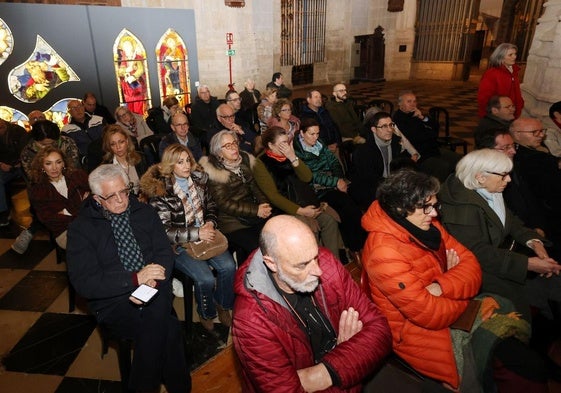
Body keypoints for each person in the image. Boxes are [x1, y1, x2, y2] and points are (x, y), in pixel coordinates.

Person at [363, 169, 547, 392]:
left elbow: (472, 264)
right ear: (401, 210)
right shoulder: (383, 252)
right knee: (512, 367)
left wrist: (443, 285)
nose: (434, 214)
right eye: (426, 208)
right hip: (417, 333)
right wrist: (460, 288)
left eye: (435, 205)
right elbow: (431, 316)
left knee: (522, 361)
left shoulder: (425, 225)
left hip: (447, 312)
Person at [232, 214, 392, 393]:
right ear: (271, 264)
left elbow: (381, 329)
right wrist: (354, 357)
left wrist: (326, 370)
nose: (318, 270)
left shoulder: (327, 262)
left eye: (315, 257)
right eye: (301, 265)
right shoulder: (250, 320)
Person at [67, 164, 191, 393]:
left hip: (156, 285)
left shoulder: (144, 212)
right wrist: (135, 280)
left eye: (124, 191)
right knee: (169, 329)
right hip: (114, 299)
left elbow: (164, 253)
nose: (121, 200)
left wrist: (151, 281)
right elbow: (85, 283)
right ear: (97, 198)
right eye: (111, 196)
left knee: (157, 321)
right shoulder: (81, 228)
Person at [439, 149, 561, 323]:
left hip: (498, 258)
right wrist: (528, 264)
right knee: (522, 302)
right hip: (475, 270)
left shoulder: (486, 189)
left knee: (552, 281)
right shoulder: (463, 208)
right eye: (504, 175)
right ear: (481, 177)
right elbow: (478, 252)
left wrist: (534, 242)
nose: (509, 180)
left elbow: (511, 222)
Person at [140, 144, 236, 332]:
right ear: (169, 165)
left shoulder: (199, 179)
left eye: (188, 161)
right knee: (206, 279)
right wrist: (196, 233)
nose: (186, 166)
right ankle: (206, 312)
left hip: (205, 235)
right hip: (178, 245)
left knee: (229, 267)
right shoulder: (160, 191)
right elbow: (164, 231)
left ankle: (222, 305)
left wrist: (210, 222)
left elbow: (211, 207)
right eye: (180, 162)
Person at [252, 126, 341, 258]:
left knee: (329, 221)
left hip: (303, 201)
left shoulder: (289, 155)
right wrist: (301, 211)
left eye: (287, 142)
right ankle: (312, 265)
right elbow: (273, 196)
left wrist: (293, 158)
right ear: (270, 145)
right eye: (282, 143)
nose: (286, 146)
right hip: (284, 209)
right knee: (309, 228)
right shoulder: (260, 163)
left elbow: (307, 177)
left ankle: (333, 264)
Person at [294, 117, 366, 262]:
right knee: (346, 206)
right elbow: (310, 175)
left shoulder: (319, 143)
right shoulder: (297, 152)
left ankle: (362, 244)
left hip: (333, 183)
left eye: (317, 133)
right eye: (312, 134)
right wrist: (335, 182)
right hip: (317, 189)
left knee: (357, 197)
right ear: (302, 133)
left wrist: (339, 180)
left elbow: (334, 162)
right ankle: (355, 247)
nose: (316, 137)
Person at [199, 130, 272, 264]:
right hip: (231, 222)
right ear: (219, 152)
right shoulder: (214, 171)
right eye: (228, 146)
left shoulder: (242, 161)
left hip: (251, 215)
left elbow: (255, 187)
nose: (234, 148)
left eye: (234, 143)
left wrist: (264, 205)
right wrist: (256, 210)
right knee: (258, 249)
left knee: (276, 235)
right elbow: (224, 203)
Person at [13, 120, 80, 254]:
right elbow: (34, 179)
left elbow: (74, 169)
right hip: (44, 188)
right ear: (36, 140)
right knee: (47, 208)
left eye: (53, 143)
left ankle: (31, 231)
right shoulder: (28, 152)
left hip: (69, 184)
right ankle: (32, 231)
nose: (49, 147)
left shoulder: (67, 143)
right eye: (44, 144)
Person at [474, 127, 548, 237]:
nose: (513, 151)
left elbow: (530, 200)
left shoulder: (515, 167)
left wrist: (538, 226)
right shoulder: (481, 178)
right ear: (487, 151)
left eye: (514, 146)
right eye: (506, 147)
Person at [349, 112, 413, 211]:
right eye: (383, 126)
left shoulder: (396, 143)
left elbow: (404, 164)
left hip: (390, 184)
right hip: (369, 188)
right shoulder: (364, 150)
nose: (389, 130)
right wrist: (392, 185)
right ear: (374, 129)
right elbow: (368, 178)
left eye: (391, 125)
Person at [28, 147, 89, 249]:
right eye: (48, 163)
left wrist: (65, 212)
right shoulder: (38, 191)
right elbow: (50, 220)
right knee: (88, 243)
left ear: (64, 163)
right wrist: (80, 209)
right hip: (64, 231)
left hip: (89, 222)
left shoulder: (78, 176)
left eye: (58, 162)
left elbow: (95, 198)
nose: (54, 168)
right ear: (42, 166)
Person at [393, 90, 460, 182]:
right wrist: (430, 133)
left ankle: (452, 185)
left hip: (431, 148)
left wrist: (423, 118)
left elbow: (436, 127)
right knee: (443, 166)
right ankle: (436, 190)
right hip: (419, 154)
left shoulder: (416, 114)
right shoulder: (398, 119)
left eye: (414, 101)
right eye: (409, 101)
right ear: (400, 104)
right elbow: (416, 138)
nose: (413, 104)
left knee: (457, 159)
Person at [478, 43, 524, 119]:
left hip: (512, 113)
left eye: (515, 54)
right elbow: (484, 97)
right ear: (500, 57)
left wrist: (520, 104)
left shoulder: (514, 72)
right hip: (497, 115)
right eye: (510, 55)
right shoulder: (491, 73)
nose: (514, 57)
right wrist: (493, 113)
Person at [101, 124, 148, 195]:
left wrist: (145, 196)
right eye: (113, 144)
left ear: (127, 141)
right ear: (109, 147)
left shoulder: (140, 157)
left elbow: (149, 182)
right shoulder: (106, 167)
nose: (118, 147)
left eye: (121, 142)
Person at [0, 118, 29, 226]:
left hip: (21, 164)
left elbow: (26, 150)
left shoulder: (18, 131)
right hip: (4, 167)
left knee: (31, 177)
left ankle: (37, 209)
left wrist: (19, 163)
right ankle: (3, 213)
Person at [300, 89, 342, 154]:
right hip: (319, 149)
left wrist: (336, 143)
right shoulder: (305, 115)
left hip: (334, 145)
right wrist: (325, 147)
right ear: (309, 100)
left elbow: (334, 127)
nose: (319, 99)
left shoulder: (324, 111)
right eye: (316, 97)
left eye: (320, 97)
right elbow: (310, 136)